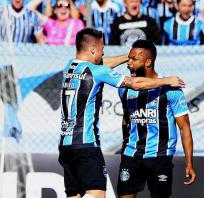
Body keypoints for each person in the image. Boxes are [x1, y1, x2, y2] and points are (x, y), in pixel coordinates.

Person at [58, 28, 185, 198]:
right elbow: (135, 84)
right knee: (96, 193)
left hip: (65, 145)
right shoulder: (98, 71)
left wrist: (130, 56)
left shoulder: (69, 67)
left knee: (74, 194)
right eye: (102, 50)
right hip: (86, 145)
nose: (103, 54)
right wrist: (167, 80)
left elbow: (102, 63)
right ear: (93, 49)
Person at [117, 39, 196, 198]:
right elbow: (127, 118)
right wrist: (126, 141)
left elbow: (184, 128)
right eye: (129, 58)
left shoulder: (171, 90)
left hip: (160, 156)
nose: (128, 63)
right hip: (132, 155)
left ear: (148, 62)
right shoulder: (124, 89)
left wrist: (189, 163)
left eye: (133, 59)